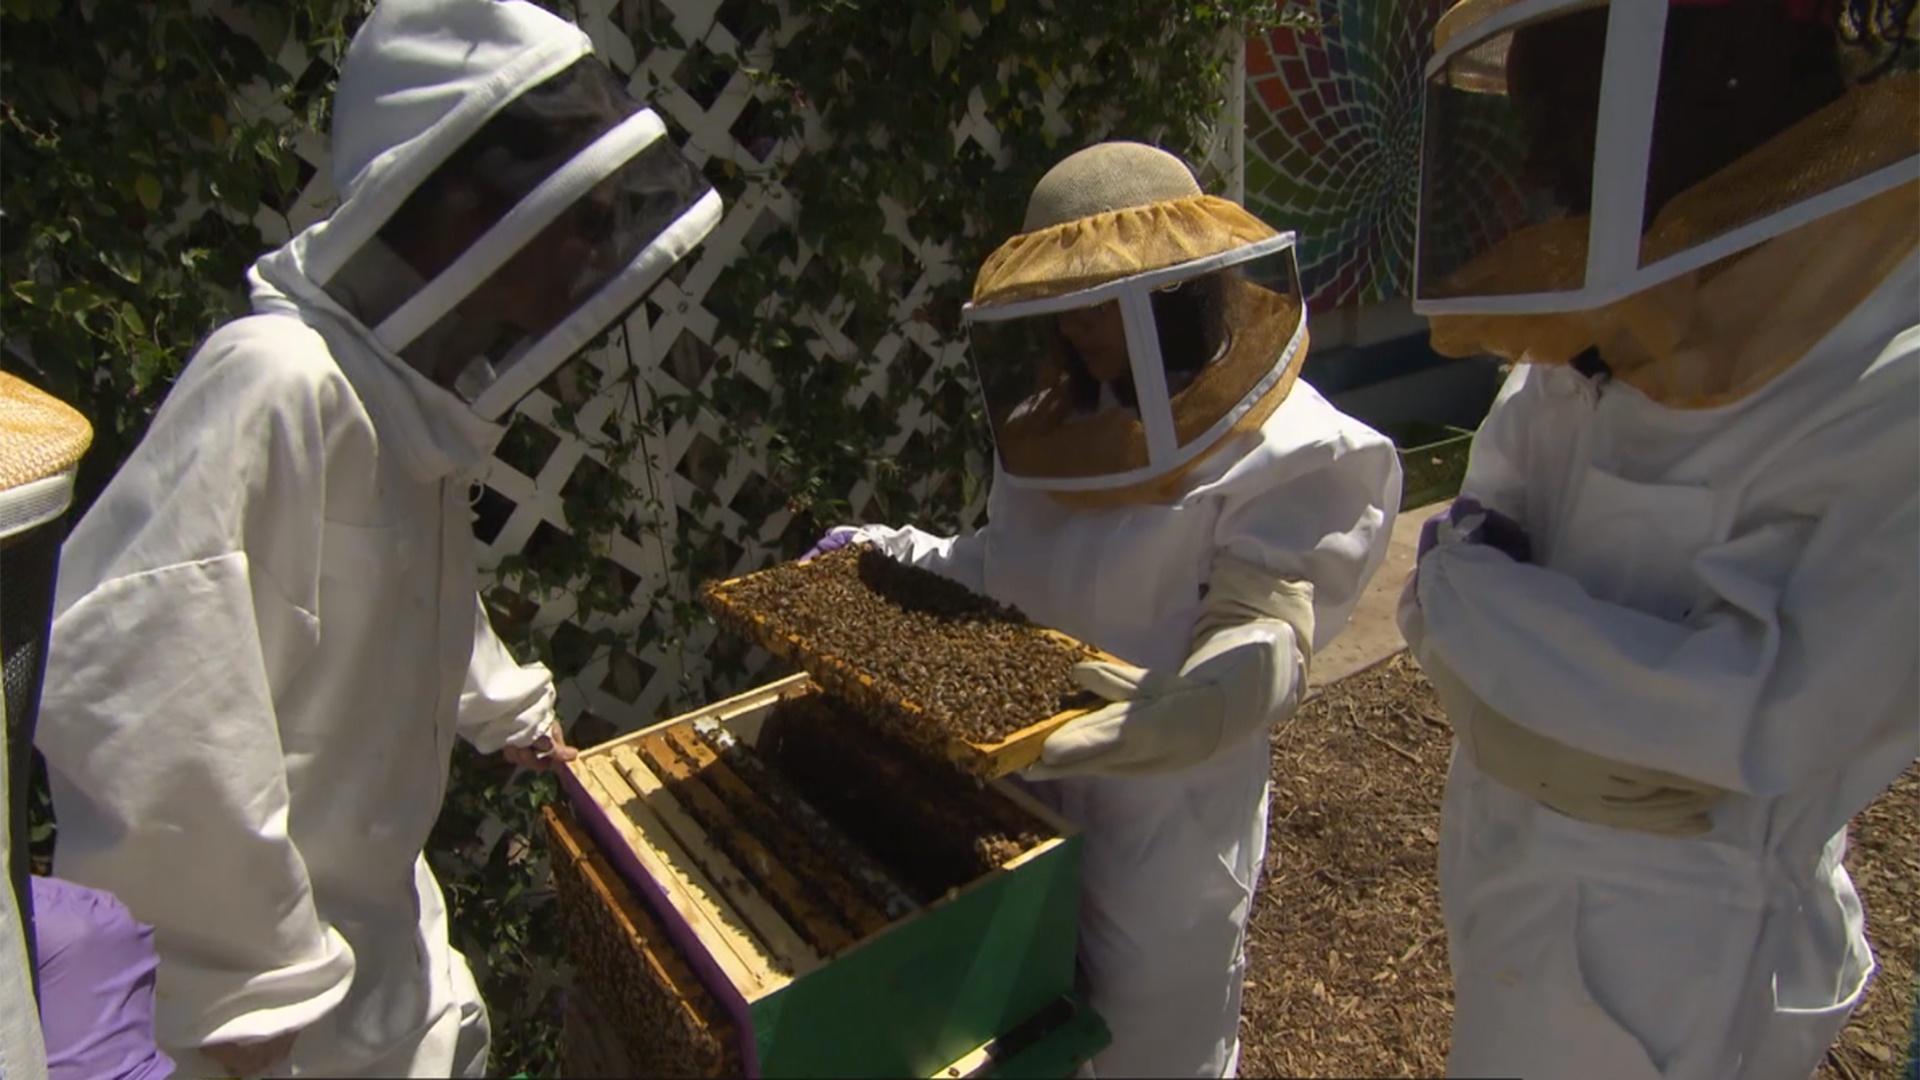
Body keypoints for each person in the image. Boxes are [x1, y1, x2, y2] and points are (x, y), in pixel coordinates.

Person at [34, 0, 722, 1074]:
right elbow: (148, 695)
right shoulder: (275, 381)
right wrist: (246, 1003)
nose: (589, 247)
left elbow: (411, 594)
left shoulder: (401, 411)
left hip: (400, 966)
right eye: (574, 214)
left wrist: (512, 718)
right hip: (288, 1032)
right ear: (453, 196)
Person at [1399, 1, 1918, 1076]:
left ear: (1707, 82)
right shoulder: (1587, 328)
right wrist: (1558, 670)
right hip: (1510, 883)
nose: (1539, 153)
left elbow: (1773, 716)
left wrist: (1478, 621)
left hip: (1693, 959)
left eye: (1565, 107)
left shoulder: (1891, 376)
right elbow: (1455, 557)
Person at [812, 141, 1401, 1076]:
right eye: (1065, 307)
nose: (1082, 329)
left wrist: (1216, 697)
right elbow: (1003, 566)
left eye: (1104, 303)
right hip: (1017, 807)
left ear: (1177, 293)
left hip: (1170, 827)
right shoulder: (1052, 426)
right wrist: (890, 555)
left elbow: (1268, 616)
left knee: (1157, 1055)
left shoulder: (1293, 444)